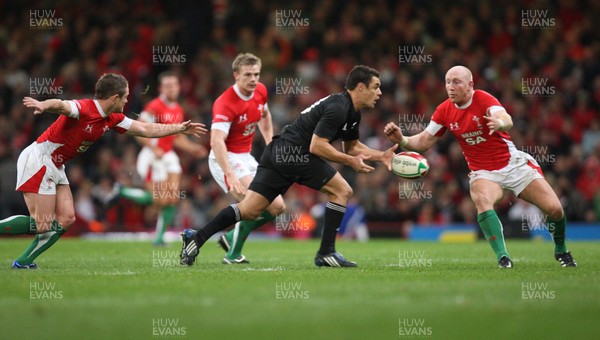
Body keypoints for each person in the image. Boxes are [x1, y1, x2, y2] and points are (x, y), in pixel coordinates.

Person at [180, 65, 397, 267]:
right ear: (360, 87)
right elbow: (317, 146)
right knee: (342, 190)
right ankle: (326, 252)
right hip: (294, 153)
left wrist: (381, 156)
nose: (379, 93)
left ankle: (195, 237)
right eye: (376, 87)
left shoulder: (352, 113)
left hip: (278, 151)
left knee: (249, 209)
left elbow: (352, 147)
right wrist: (350, 161)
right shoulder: (339, 108)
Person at [0, 73, 207, 269]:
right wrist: (44, 104)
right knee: (42, 223)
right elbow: (62, 105)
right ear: (115, 97)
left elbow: (145, 129)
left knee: (67, 219)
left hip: (56, 163)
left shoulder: (113, 118)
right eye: (125, 98)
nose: (127, 102)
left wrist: (179, 128)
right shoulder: (85, 107)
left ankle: (24, 261)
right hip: (39, 159)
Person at [384, 65, 576, 268]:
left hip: (513, 165)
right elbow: (423, 141)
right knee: (483, 201)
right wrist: (402, 139)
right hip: (483, 172)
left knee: (555, 209)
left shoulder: (484, 99)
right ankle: (503, 258)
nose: (450, 86)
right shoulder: (444, 110)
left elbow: (506, 118)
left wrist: (500, 124)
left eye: (456, 82)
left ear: (470, 85)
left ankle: (561, 250)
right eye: (448, 82)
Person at [208, 53, 285, 264]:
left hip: (245, 156)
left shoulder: (260, 91)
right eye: (248, 74)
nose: (253, 79)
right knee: (253, 206)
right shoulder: (225, 103)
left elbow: (265, 117)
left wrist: (271, 145)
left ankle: (231, 238)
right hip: (225, 157)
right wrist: (230, 174)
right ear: (236, 75)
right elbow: (216, 141)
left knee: (277, 206)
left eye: (256, 74)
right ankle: (233, 254)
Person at [116, 71, 207, 245]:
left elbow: (176, 138)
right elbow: (138, 130)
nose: (171, 89)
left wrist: (192, 148)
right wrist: (152, 147)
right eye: (167, 86)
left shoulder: (178, 109)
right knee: (161, 198)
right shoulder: (154, 106)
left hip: (168, 156)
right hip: (153, 155)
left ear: (179, 88)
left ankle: (159, 238)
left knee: (172, 197)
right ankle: (122, 191)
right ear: (161, 88)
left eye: (174, 85)